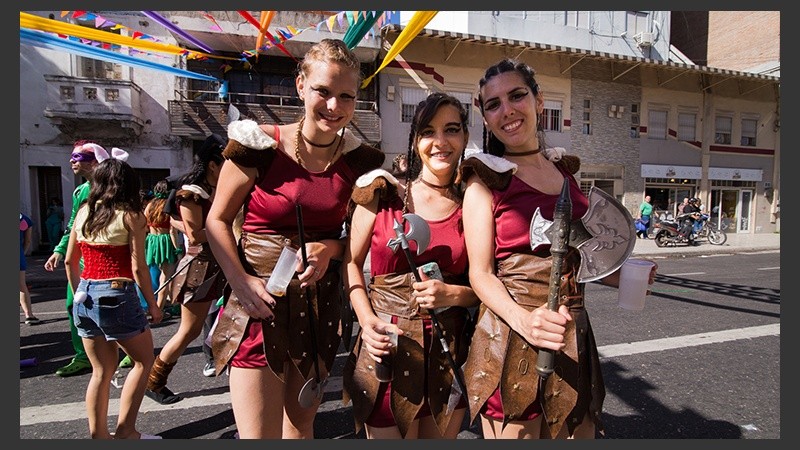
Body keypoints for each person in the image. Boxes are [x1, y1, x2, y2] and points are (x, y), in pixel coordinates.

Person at [458, 58, 657, 439]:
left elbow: (578, 257)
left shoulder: (563, 171)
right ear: (485, 117)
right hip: (511, 339)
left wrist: (621, 275)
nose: (508, 110)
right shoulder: (483, 179)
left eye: (517, 96)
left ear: (539, 101)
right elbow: (480, 274)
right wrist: (525, 321)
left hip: (572, 339)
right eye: (493, 104)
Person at [206, 38, 385, 439]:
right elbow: (216, 220)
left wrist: (330, 248)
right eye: (323, 91)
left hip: (317, 312)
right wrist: (241, 281)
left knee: (300, 429)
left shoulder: (360, 162)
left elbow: (357, 244)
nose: (334, 106)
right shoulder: (258, 146)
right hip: (258, 308)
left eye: (346, 96)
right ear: (301, 86)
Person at [341, 92, 479, 439]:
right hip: (388, 349)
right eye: (428, 131)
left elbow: (488, 283)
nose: (440, 142)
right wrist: (367, 320)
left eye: (451, 130)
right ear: (415, 139)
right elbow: (352, 264)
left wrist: (455, 294)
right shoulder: (381, 193)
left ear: (464, 136)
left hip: (448, 353)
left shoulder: (476, 203)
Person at [64, 147, 163, 439]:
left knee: (100, 372)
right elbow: (139, 268)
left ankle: (99, 436)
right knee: (143, 362)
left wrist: (78, 293)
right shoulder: (132, 216)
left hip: (84, 294)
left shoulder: (84, 212)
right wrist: (154, 304)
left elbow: (71, 261)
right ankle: (126, 431)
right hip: (117, 292)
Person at [144, 133, 227, 405]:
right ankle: (154, 381)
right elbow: (195, 234)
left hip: (215, 265)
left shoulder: (210, 189)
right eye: (224, 163)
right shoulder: (191, 192)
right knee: (188, 331)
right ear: (213, 165)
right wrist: (226, 228)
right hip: (199, 267)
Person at [44, 140, 101, 377]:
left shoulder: (105, 188)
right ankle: (83, 355)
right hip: (79, 257)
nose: (71, 161)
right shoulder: (80, 191)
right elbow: (72, 225)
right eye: (72, 157)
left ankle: (124, 348)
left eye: (77, 158)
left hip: (100, 256)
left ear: (93, 161)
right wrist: (59, 250)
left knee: (107, 305)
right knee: (73, 305)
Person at [20, 212, 40, 325]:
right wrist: (22, 253)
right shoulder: (25, 220)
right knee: (21, 286)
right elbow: (27, 241)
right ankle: (29, 315)